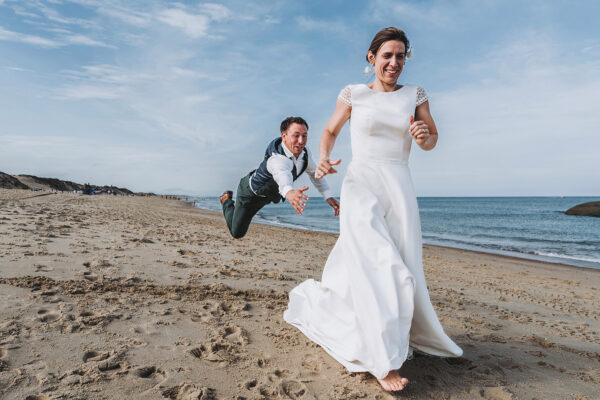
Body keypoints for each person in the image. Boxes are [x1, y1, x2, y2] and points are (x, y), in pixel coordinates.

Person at [283, 28, 463, 392]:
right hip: (360, 184)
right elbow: (331, 130)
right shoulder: (354, 94)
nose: (394, 63)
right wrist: (322, 160)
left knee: (400, 264)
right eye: (387, 56)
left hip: (398, 187)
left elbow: (432, 138)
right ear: (371, 58)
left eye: (401, 57)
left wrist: (424, 137)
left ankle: (387, 331)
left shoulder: (415, 95)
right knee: (381, 263)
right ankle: (383, 362)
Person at [220, 116, 340, 239]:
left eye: (304, 136)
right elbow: (283, 178)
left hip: (267, 197)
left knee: (242, 221)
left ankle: (237, 212)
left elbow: (314, 174)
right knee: (237, 233)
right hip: (249, 195)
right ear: (284, 136)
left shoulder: (305, 154)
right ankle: (226, 201)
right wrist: (289, 193)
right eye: (296, 135)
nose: (301, 141)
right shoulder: (277, 159)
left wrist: (328, 196)